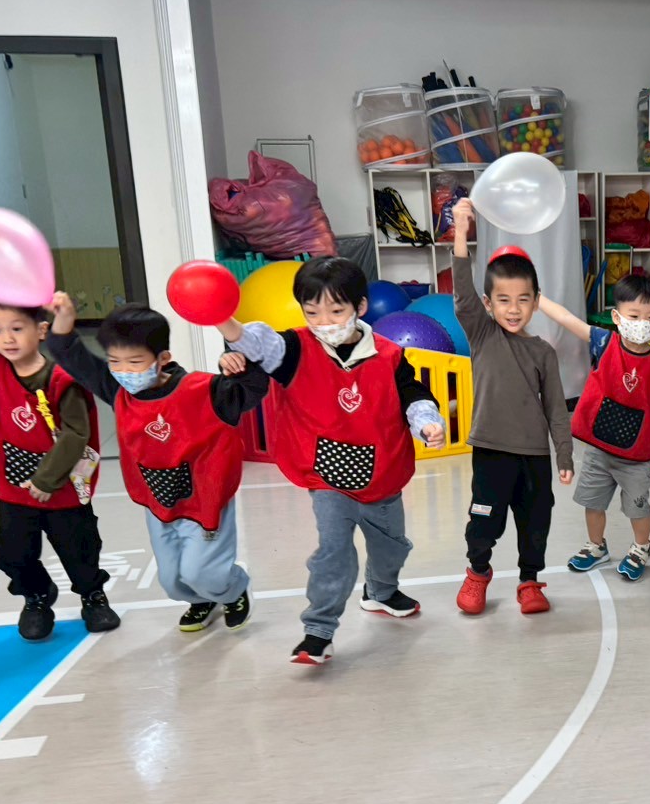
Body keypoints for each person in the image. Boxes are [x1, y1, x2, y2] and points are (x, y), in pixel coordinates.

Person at [216, 257, 445, 666]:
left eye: (336, 311)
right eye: (312, 312)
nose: (324, 322)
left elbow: (413, 393)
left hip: (384, 472)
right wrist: (220, 319)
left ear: (360, 307)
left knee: (392, 548)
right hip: (326, 476)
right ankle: (318, 631)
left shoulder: (389, 354)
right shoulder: (293, 349)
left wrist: (426, 422)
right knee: (333, 552)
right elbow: (255, 343)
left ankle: (381, 591)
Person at [0, 243, 119, 642]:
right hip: (13, 492)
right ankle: (36, 597)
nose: (7, 339)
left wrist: (47, 480)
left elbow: (76, 433)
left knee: (80, 550)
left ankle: (93, 596)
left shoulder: (62, 379)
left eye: (17, 328)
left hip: (61, 491)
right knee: (14, 556)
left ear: (41, 330)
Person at [47, 300, 268, 633]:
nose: (124, 371)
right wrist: (63, 321)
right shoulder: (118, 390)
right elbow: (72, 357)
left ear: (162, 358)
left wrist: (239, 365)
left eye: (135, 362)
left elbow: (253, 389)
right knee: (172, 581)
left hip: (205, 501)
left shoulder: (204, 391)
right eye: (114, 361)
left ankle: (233, 588)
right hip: (159, 503)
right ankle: (202, 600)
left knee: (201, 572)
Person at [449, 198, 573, 615]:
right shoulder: (482, 334)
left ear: (536, 301)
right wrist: (461, 231)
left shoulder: (543, 352)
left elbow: (556, 409)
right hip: (491, 450)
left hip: (534, 456)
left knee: (535, 522)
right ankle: (477, 572)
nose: (514, 309)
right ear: (488, 304)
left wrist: (564, 455)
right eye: (503, 299)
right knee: (484, 520)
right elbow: (462, 291)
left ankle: (529, 581)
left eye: (523, 299)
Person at [536, 274, 650, 581]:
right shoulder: (604, 342)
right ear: (617, 317)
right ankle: (596, 546)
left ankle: (641, 547)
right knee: (592, 503)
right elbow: (567, 319)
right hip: (599, 448)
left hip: (637, 456)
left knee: (638, 507)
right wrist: (538, 298)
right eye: (634, 316)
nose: (642, 323)